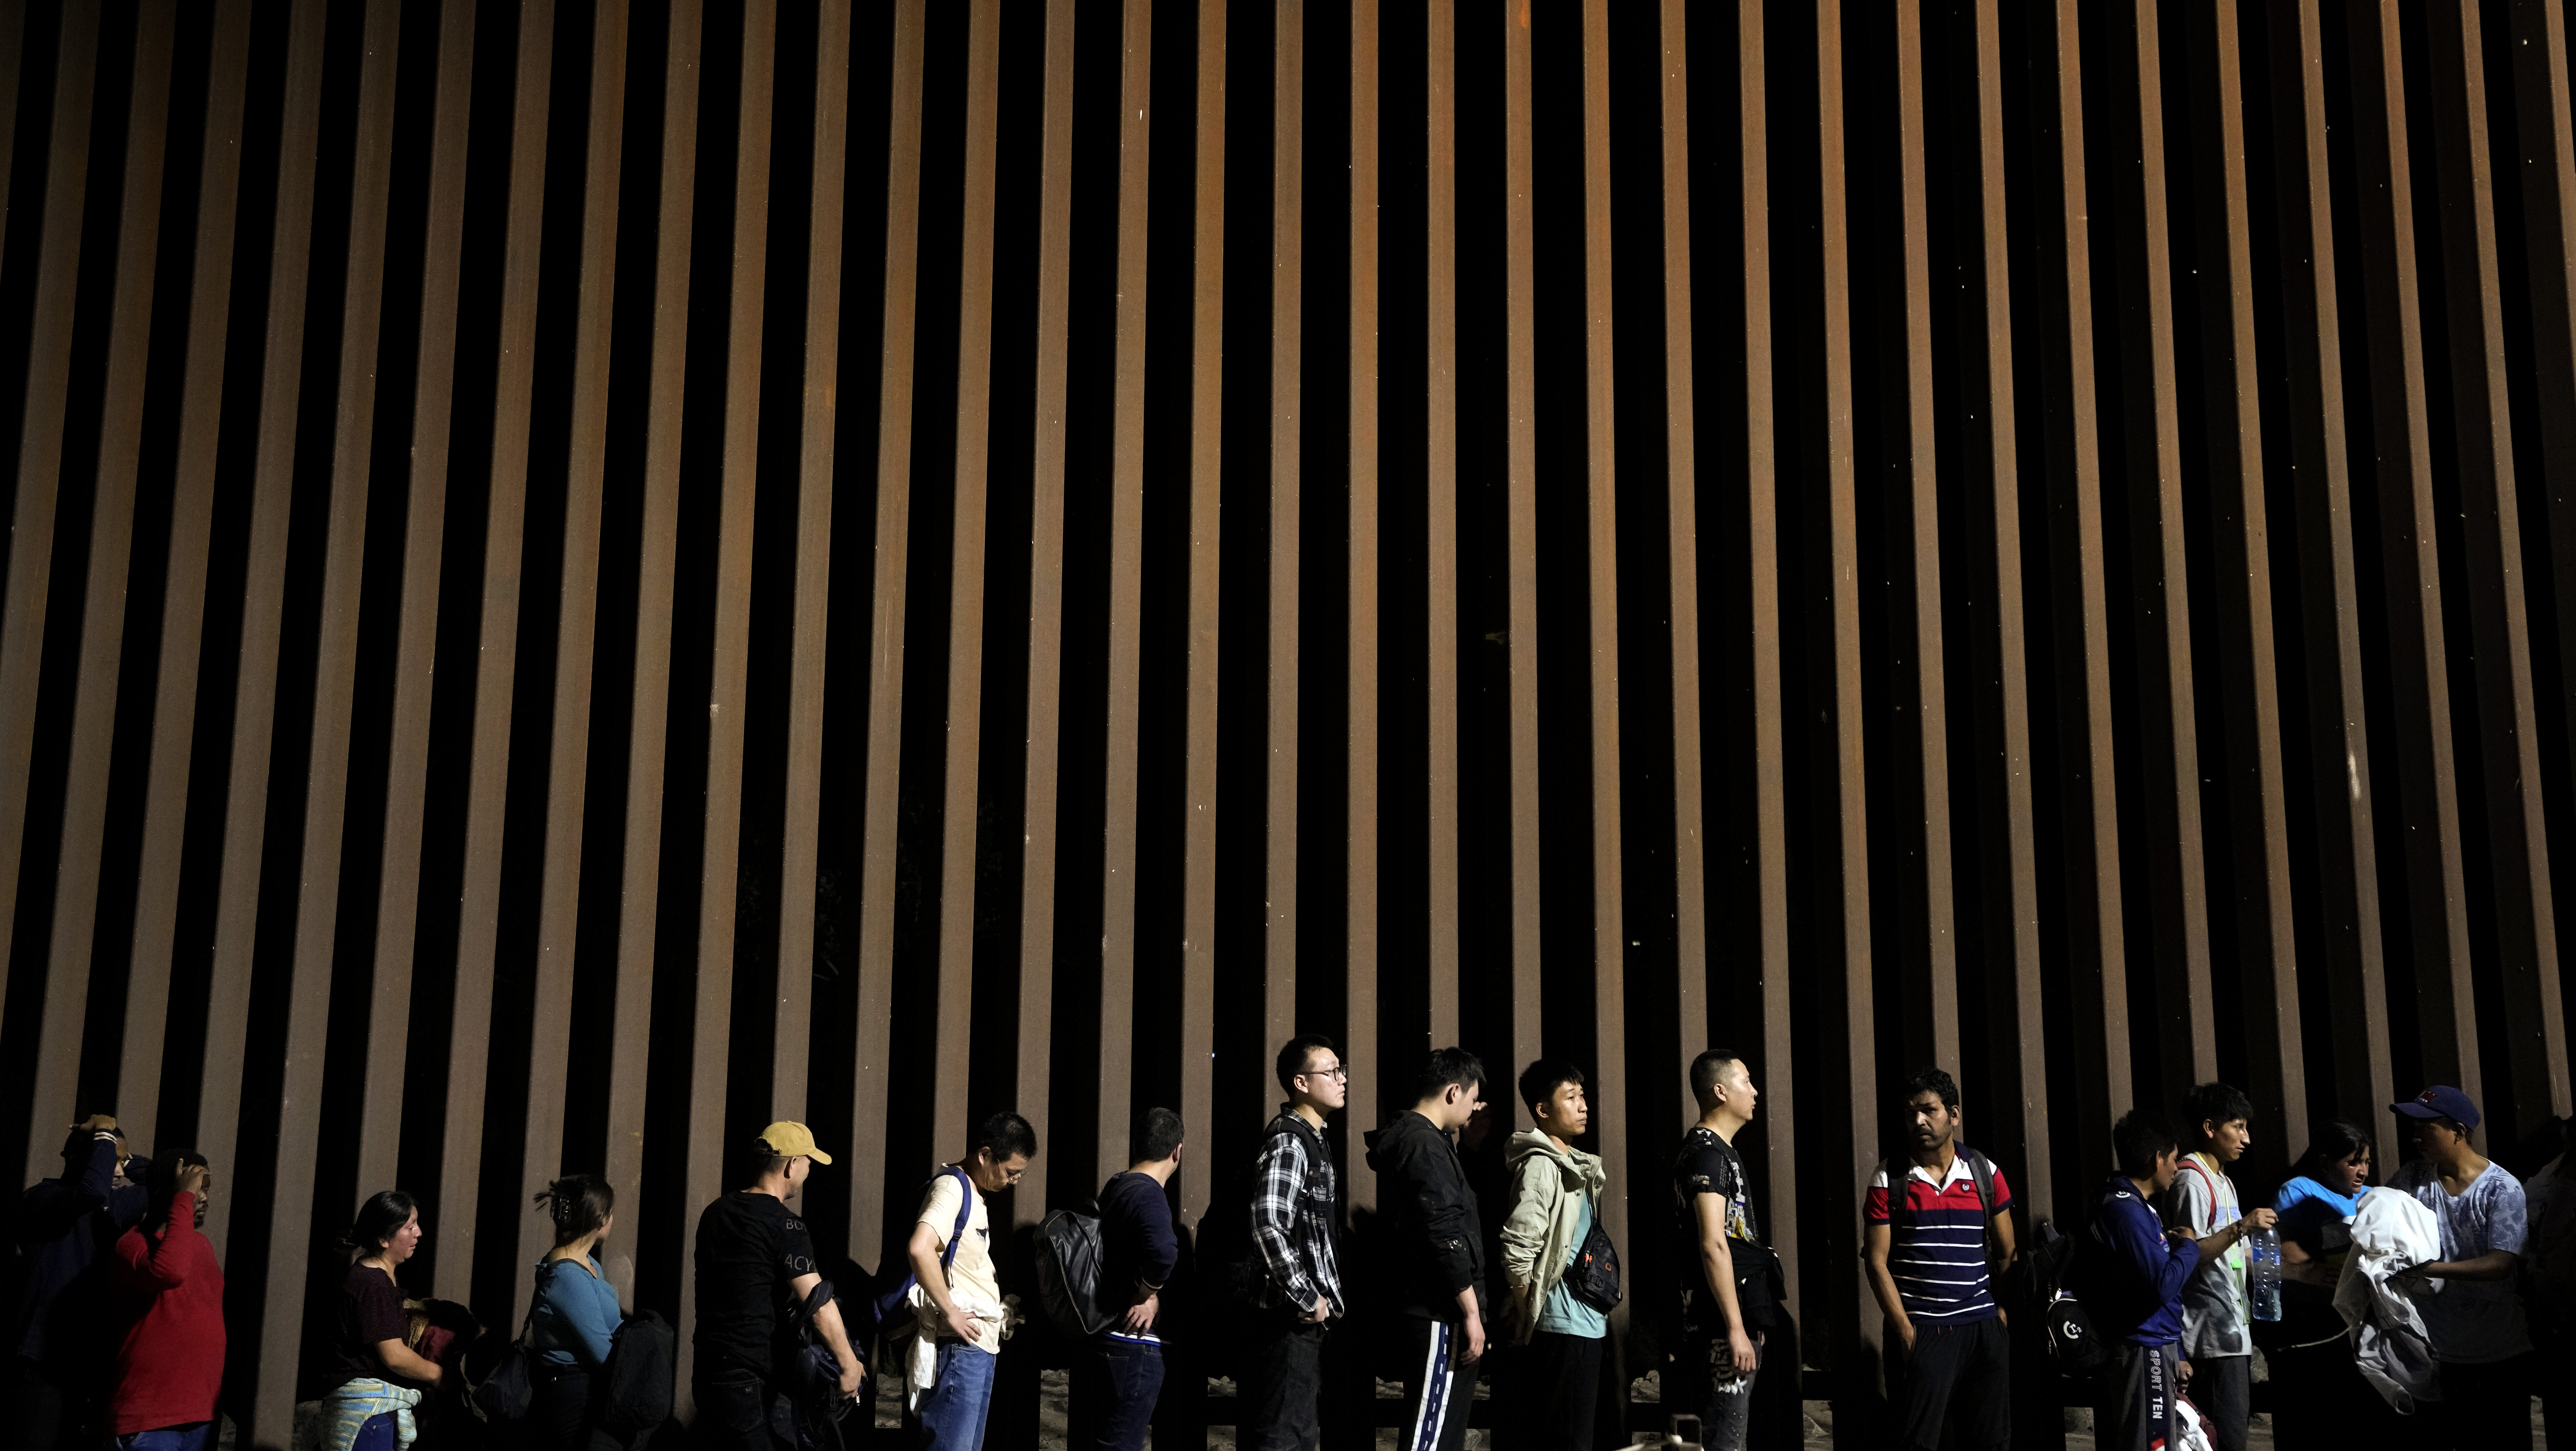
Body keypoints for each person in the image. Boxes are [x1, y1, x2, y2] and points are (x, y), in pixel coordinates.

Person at [1863, 1067, 2017, 1451]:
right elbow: (1876, 1262)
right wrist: (1905, 1331)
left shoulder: (1984, 1172)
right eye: (1911, 1112)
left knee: (1989, 1442)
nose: (1919, 1120)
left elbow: (2007, 1253)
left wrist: (2001, 1315)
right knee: (1920, 1442)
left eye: (1929, 1110)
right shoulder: (1889, 1178)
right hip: (1926, 1331)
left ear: (1954, 1114)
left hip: (1983, 1328)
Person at [693, 1123, 866, 1451]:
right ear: (791, 1165)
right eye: (808, 1161)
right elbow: (817, 1301)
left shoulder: (715, 1212)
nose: (810, 1169)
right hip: (749, 1377)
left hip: (707, 1371)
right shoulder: (785, 1224)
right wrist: (848, 1364)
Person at [2386, 1086, 2535, 1448]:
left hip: (2496, 1349)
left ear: (2458, 1131)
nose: (2416, 1135)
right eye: (2414, 1126)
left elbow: (2500, 1263)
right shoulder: (2412, 1180)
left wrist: (2430, 1268)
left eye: (2427, 1126)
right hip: (2434, 1351)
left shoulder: (2502, 1188)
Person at [1364, 1048, 1490, 1451]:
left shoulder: (1425, 1141)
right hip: (1440, 1309)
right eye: (1471, 1100)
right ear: (1454, 1091)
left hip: (1434, 1306)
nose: (1473, 1111)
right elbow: (1444, 1230)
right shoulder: (1424, 1144)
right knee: (1430, 1435)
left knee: (1439, 1430)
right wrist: (1471, 1310)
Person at [8, 1113, 151, 1451]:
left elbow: (166, 1185)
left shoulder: (109, 1208)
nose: (117, 1171)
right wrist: (103, 1129)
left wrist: (126, 1155)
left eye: (120, 1162)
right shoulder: (42, 1198)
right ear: (80, 1159)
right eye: (109, 1160)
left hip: (92, 1363)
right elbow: (90, 1190)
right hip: (45, 1363)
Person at [903, 1111, 1037, 1450]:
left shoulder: (973, 1193)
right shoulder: (952, 1187)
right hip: (959, 1346)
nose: (1014, 1180)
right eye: (1010, 1171)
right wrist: (950, 1309)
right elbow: (920, 1248)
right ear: (985, 1155)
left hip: (976, 1345)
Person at [1242, 1033, 1349, 1451]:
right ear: (1301, 1083)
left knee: (1299, 1435)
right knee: (1282, 1437)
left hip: (1303, 1320)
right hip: (1288, 1320)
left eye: (1342, 1070)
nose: (1342, 1079)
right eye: (1332, 1071)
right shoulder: (1290, 1141)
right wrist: (1308, 1296)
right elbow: (1267, 1222)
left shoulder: (1313, 1138)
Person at [2155, 1083, 2276, 1451]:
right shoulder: (2192, 1178)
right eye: (2237, 1127)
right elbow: (2190, 1254)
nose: (2246, 1138)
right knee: (2222, 1439)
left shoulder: (2223, 1179)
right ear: (2209, 1127)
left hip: (2231, 1332)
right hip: (2208, 1338)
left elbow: (2234, 1254)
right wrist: (2242, 1226)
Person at [1498, 1059, 1609, 1451]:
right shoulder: (1541, 1165)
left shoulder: (1572, 1164)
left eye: (1583, 1096)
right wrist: (1528, 1305)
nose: (1583, 1105)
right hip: (1563, 1325)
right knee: (1567, 1439)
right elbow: (1518, 1244)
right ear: (1543, 1110)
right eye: (1571, 1097)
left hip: (1583, 1321)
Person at [1670, 1050, 1774, 1451]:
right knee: (1723, 1439)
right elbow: (1713, 1242)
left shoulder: (1714, 1150)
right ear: (1719, 1091)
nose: (1755, 1090)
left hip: (1721, 1318)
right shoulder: (1708, 1153)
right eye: (1745, 1081)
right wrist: (1735, 1327)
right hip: (1718, 1323)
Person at [2265, 1120, 2389, 1443]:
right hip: (2313, 1323)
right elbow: (2284, 1246)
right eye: (2352, 1162)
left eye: (2366, 1162)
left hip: (2359, 1324)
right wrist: (2312, 1269)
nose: (2362, 1171)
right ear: (2324, 1162)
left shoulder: (2371, 1197)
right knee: (2312, 1420)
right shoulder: (2301, 1190)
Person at [2081, 1112, 2197, 1451]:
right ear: (2156, 1158)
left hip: (2157, 1343)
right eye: (2174, 1158)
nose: (2177, 1168)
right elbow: (2161, 1283)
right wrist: (2189, 1246)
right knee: (2151, 1444)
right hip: (2143, 1346)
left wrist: (2177, 1348)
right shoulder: (2124, 1210)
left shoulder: (2139, 1206)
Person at [105, 1154, 222, 1451]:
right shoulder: (132, 1244)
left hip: (198, 1413)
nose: (203, 1198)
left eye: (205, 1189)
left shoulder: (201, 1246)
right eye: (196, 1189)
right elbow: (169, 1273)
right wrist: (182, 1197)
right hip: (151, 1418)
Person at [1081, 1108, 1182, 1451]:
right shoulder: (1150, 1193)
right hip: (1134, 1341)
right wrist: (1147, 1293)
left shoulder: (1117, 1185)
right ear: (1177, 1151)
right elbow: (1164, 1251)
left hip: (1106, 1335)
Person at [325, 1191, 453, 1451]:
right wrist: (439, 1376)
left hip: (370, 1415)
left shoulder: (373, 1276)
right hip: (367, 1417)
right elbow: (394, 1356)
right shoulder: (374, 1283)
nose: (419, 1233)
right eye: (409, 1227)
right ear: (384, 1238)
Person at [525, 1175, 620, 1451]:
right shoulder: (569, 1278)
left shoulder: (586, 1264)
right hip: (574, 1395)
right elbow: (604, 1351)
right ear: (601, 1219)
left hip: (583, 1389)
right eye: (610, 1213)